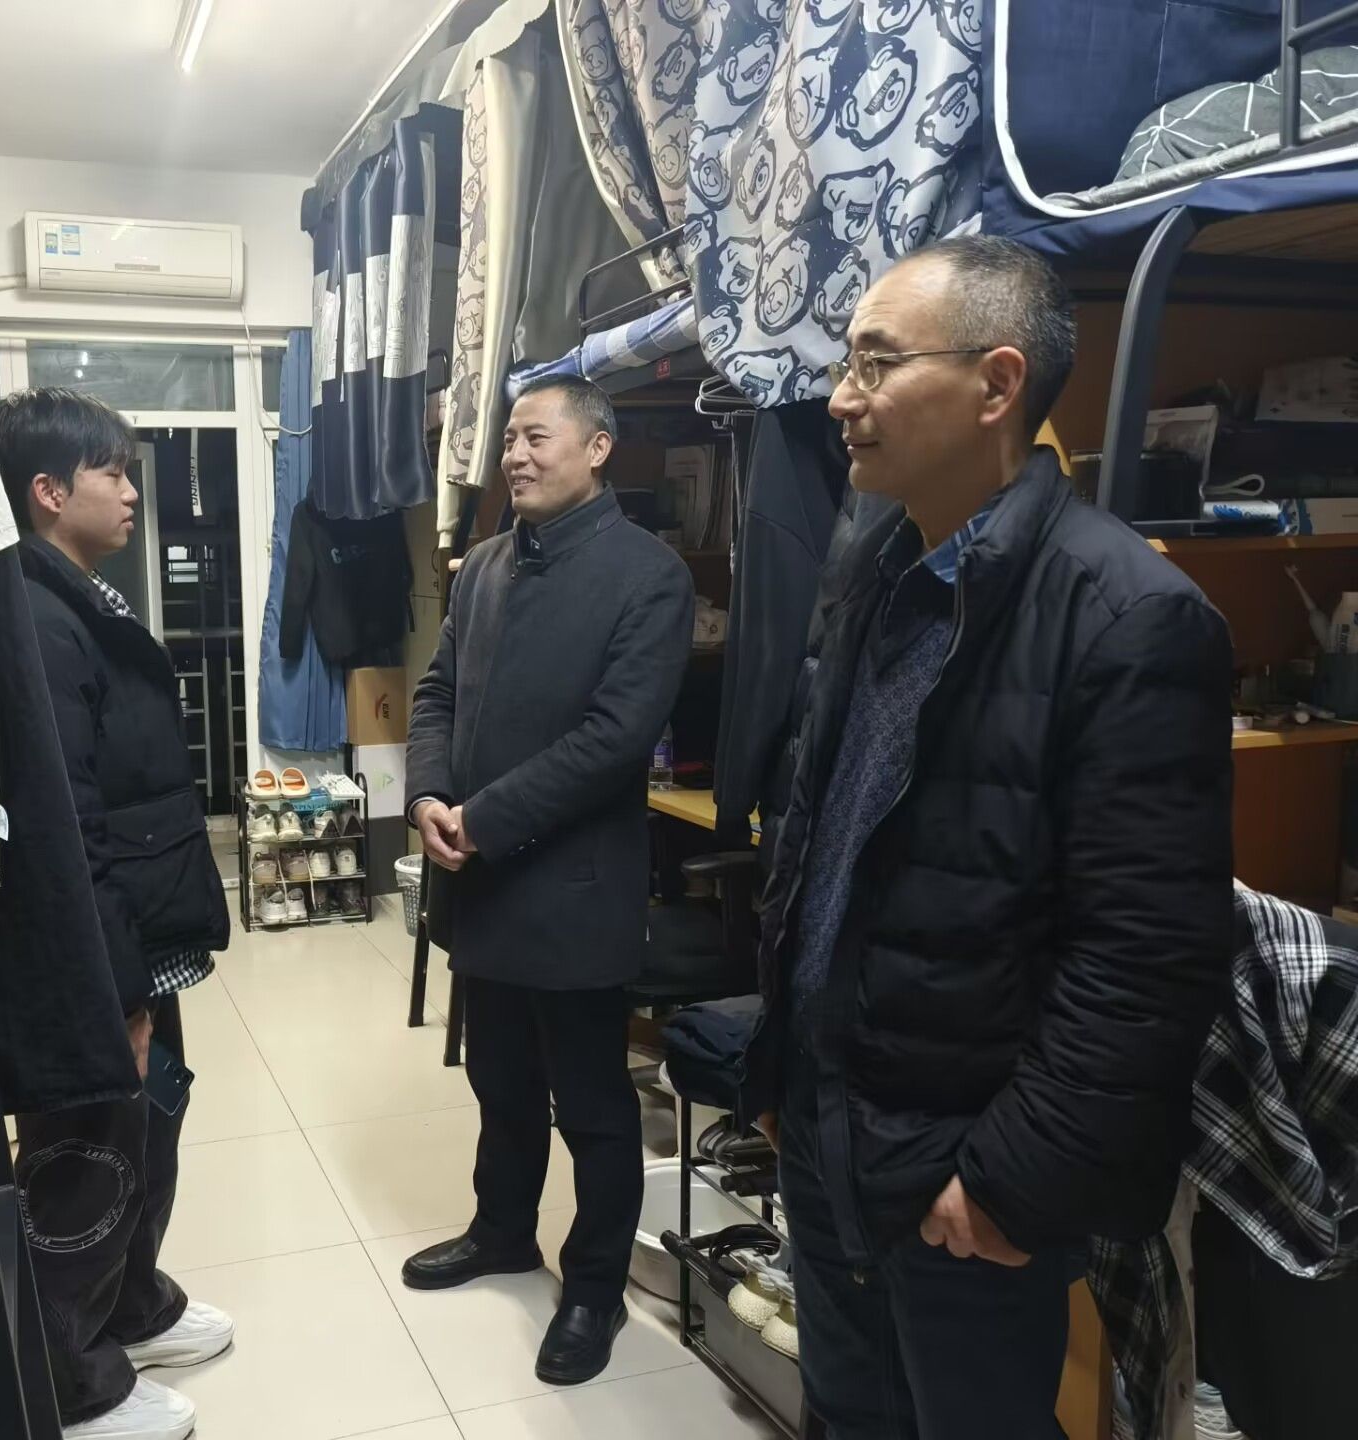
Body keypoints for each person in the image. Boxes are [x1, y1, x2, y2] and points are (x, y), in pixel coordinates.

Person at [744, 235, 1234, 1437]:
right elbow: (821, 835)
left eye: (874, 364)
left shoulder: (1128, 616)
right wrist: (783, 1068)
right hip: (831, 1123)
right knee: (844, 1414)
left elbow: (1145, 954)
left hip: (964, 1172)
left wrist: (1013, 1182)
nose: (841, 398)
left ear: (996, 384)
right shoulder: (874, 569)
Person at [403, 374, 695, 1385]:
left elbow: (615, 740)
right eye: (510, 441)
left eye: (537, 437)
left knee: (595, 1107)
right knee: (501, 1082)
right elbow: (437, 692)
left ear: (598, 448)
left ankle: (595, 1287)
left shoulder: (648, 575)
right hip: (479, 883)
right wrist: (428, 794)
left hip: (571, 889)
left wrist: (482, 821)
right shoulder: (485, 565)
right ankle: (502, 1231)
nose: (516, 456)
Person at [0, 389, 233, 1440]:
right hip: (92, 944)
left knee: (149, 1118)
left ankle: (133, 1306)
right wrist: (116, 989)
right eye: (112, 473)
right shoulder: (36, 619)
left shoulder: (76, 593)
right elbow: (65, 828)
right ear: (48, 491)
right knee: (87, 1145)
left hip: (137, 925)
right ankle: (72, 1384)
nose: (132, 492)